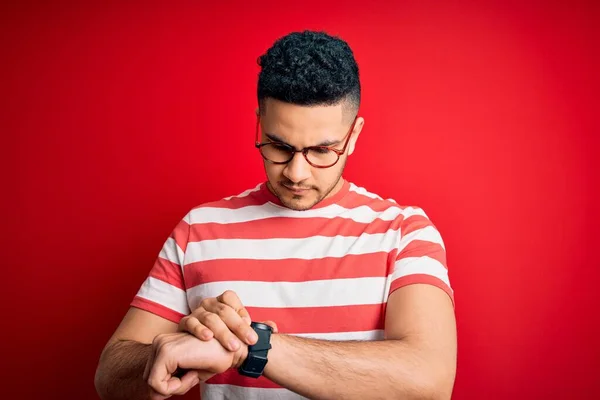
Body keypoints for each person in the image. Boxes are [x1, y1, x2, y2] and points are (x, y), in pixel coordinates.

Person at [94, 30, 457, 400]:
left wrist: (249, 347)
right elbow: (110, 375)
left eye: (322, 150)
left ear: (354, 135)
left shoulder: (404, 233)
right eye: (279, 146)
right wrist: (186, 346)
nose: (296, 173)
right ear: (259, 121)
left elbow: (429, 380)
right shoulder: (199, 230)